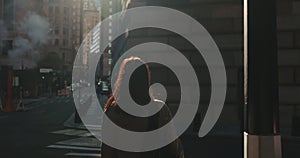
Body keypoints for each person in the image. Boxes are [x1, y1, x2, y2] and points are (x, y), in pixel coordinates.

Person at [101, 57, 184, 158]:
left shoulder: (113, 113)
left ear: (123, 80)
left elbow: (107, 153)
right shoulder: (160, 110)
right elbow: (174, 150)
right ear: (146, 80)